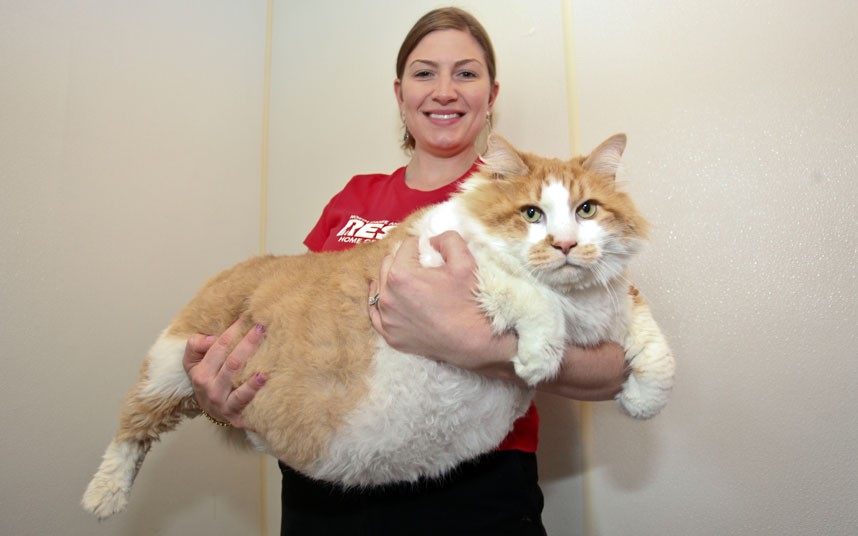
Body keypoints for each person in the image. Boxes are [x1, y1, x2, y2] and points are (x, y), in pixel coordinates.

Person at [183, 7, 627, 535]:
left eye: (466, 73)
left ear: (491, 95)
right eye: (424, 73)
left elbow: (616, 367)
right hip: (323, 483)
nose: (444, 91)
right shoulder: (354, 197)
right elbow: (286, 329)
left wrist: (476, 346)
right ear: (400, 94)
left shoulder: (537, 206)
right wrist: (218, 399)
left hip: (469, 492)